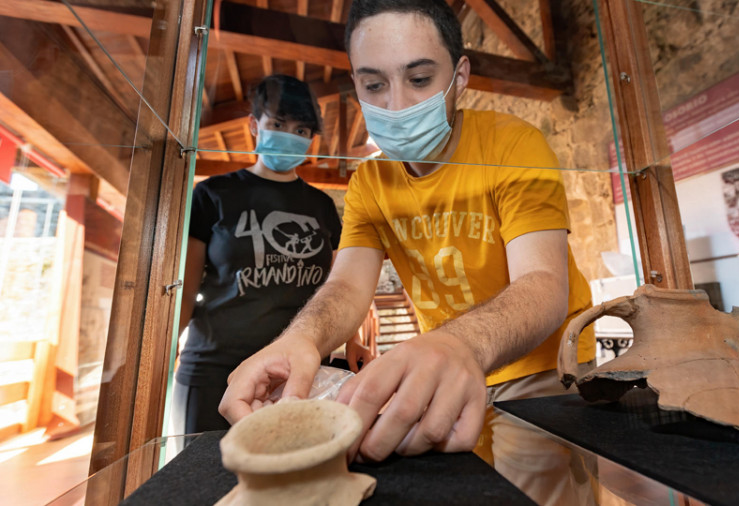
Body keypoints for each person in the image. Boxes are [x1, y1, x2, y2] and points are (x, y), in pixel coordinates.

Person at [219, 1, 596, 503]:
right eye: (375, 85)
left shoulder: (513, 145)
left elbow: (545, 285)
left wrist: (457, 344)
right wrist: (302, 341)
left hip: (540, 367)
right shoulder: (369, 183)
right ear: (356, 85)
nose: (396, 104)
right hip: (442, 367)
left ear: (459, 77)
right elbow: (348, 285)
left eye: (419, 79)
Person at [173, 75, 342, 434]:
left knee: (293, 480)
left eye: (301, 130)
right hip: (215, 369)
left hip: (296, 372)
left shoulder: (322, 206)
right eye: (278, 124)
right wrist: (163, 344)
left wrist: (353, 340)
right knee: (205, 482)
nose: (289, 135)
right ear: (254, 125)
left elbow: (338, 284)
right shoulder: (213, 195)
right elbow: (185, 289)